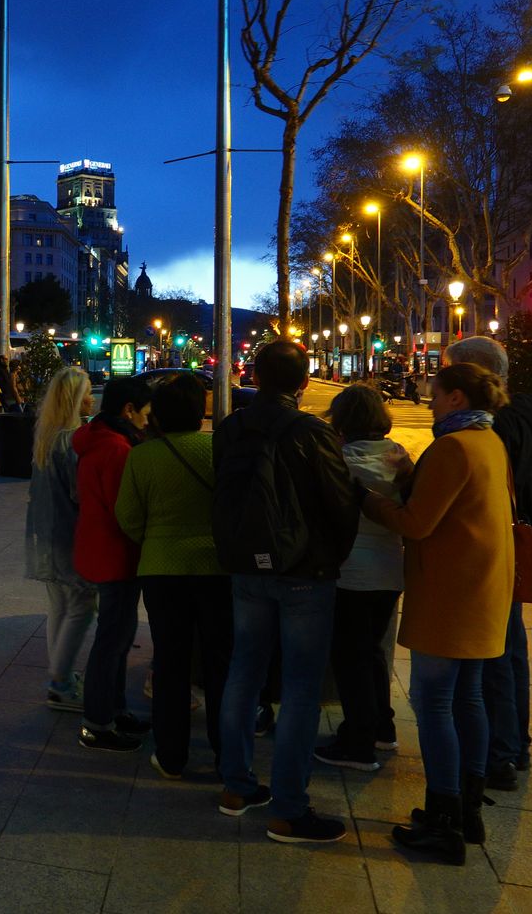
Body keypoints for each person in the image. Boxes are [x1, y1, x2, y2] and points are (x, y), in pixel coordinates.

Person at [363, 362, 514, 865]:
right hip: (482, 589)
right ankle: (467, 811)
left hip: (450, 594)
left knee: (433, 702)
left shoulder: (453, 447)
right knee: (468, 698)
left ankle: (443, 816)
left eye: (435, 394)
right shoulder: (489, 442)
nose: (428, 401)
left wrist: (370, 501)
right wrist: (413, 476)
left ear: (455, 398)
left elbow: (418, 523)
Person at [215, 340, 360, 844]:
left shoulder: (231, 427)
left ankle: (235, 787)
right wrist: (328, 559)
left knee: (243, 673)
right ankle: (289, 809)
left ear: (254, 374)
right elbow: (340, 505)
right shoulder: (312, 432)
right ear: (303, 383)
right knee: (300, 689)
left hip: (244, 569)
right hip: (304, 574)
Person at [442, 335, 532, 791]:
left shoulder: (496, 427)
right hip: (510, 546)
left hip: (494, 549)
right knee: (509, 650)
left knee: (495, 653)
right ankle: (514, 745)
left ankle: (499, 754)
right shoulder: (521, 416)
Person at [116, 372, 229, 779]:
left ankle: (171, 754)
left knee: (171, 662)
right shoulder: (219, 449)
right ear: (202, 412)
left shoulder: (142, 456)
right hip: (217, 570)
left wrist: (157, 539)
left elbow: (127, 517)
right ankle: (226, 751)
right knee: (220, 662)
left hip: (162, 571)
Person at [313, 384, 411, 772]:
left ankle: (358, 742)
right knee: (370, 652)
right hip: (389, 570)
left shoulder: (339, 461)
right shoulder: (400, 458)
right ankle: (381, 727)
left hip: (351, 572)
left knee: (350, 657)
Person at [74, 376, 154, 752]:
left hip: (98, 548)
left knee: (117, 639)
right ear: (128, 410)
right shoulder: (119, 449)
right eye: (145, 413)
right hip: (117, 555)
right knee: (112, 641)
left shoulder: (96, 440)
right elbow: (127, 511)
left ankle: (114, 708)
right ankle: (97, 722)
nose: (147, 421)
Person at [25, 366, 94, 712]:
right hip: (70, 534)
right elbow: (80, 494)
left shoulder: (46, 436)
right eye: (87, 393)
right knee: (82, 604)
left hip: (48, 534)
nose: (92, 399)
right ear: (75, 399)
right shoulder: (72, 440)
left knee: (58, 605)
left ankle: (60, 674)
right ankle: (60, 681)